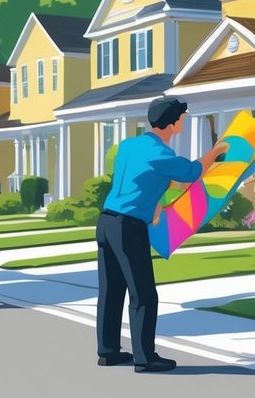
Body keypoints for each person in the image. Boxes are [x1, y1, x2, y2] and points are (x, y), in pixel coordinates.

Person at [95, 97, 229, 373]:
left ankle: (108, 351)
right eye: (182, 118)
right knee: (143, 294)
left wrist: (156, 205)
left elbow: (143, 180)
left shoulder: (129, 145)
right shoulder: (160, 153)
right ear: (173, 122)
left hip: (106, 222)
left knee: (112, 290)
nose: (184, 121)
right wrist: (214, 154)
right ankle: (145, 358)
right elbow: (190, 173)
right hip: (128, 227)